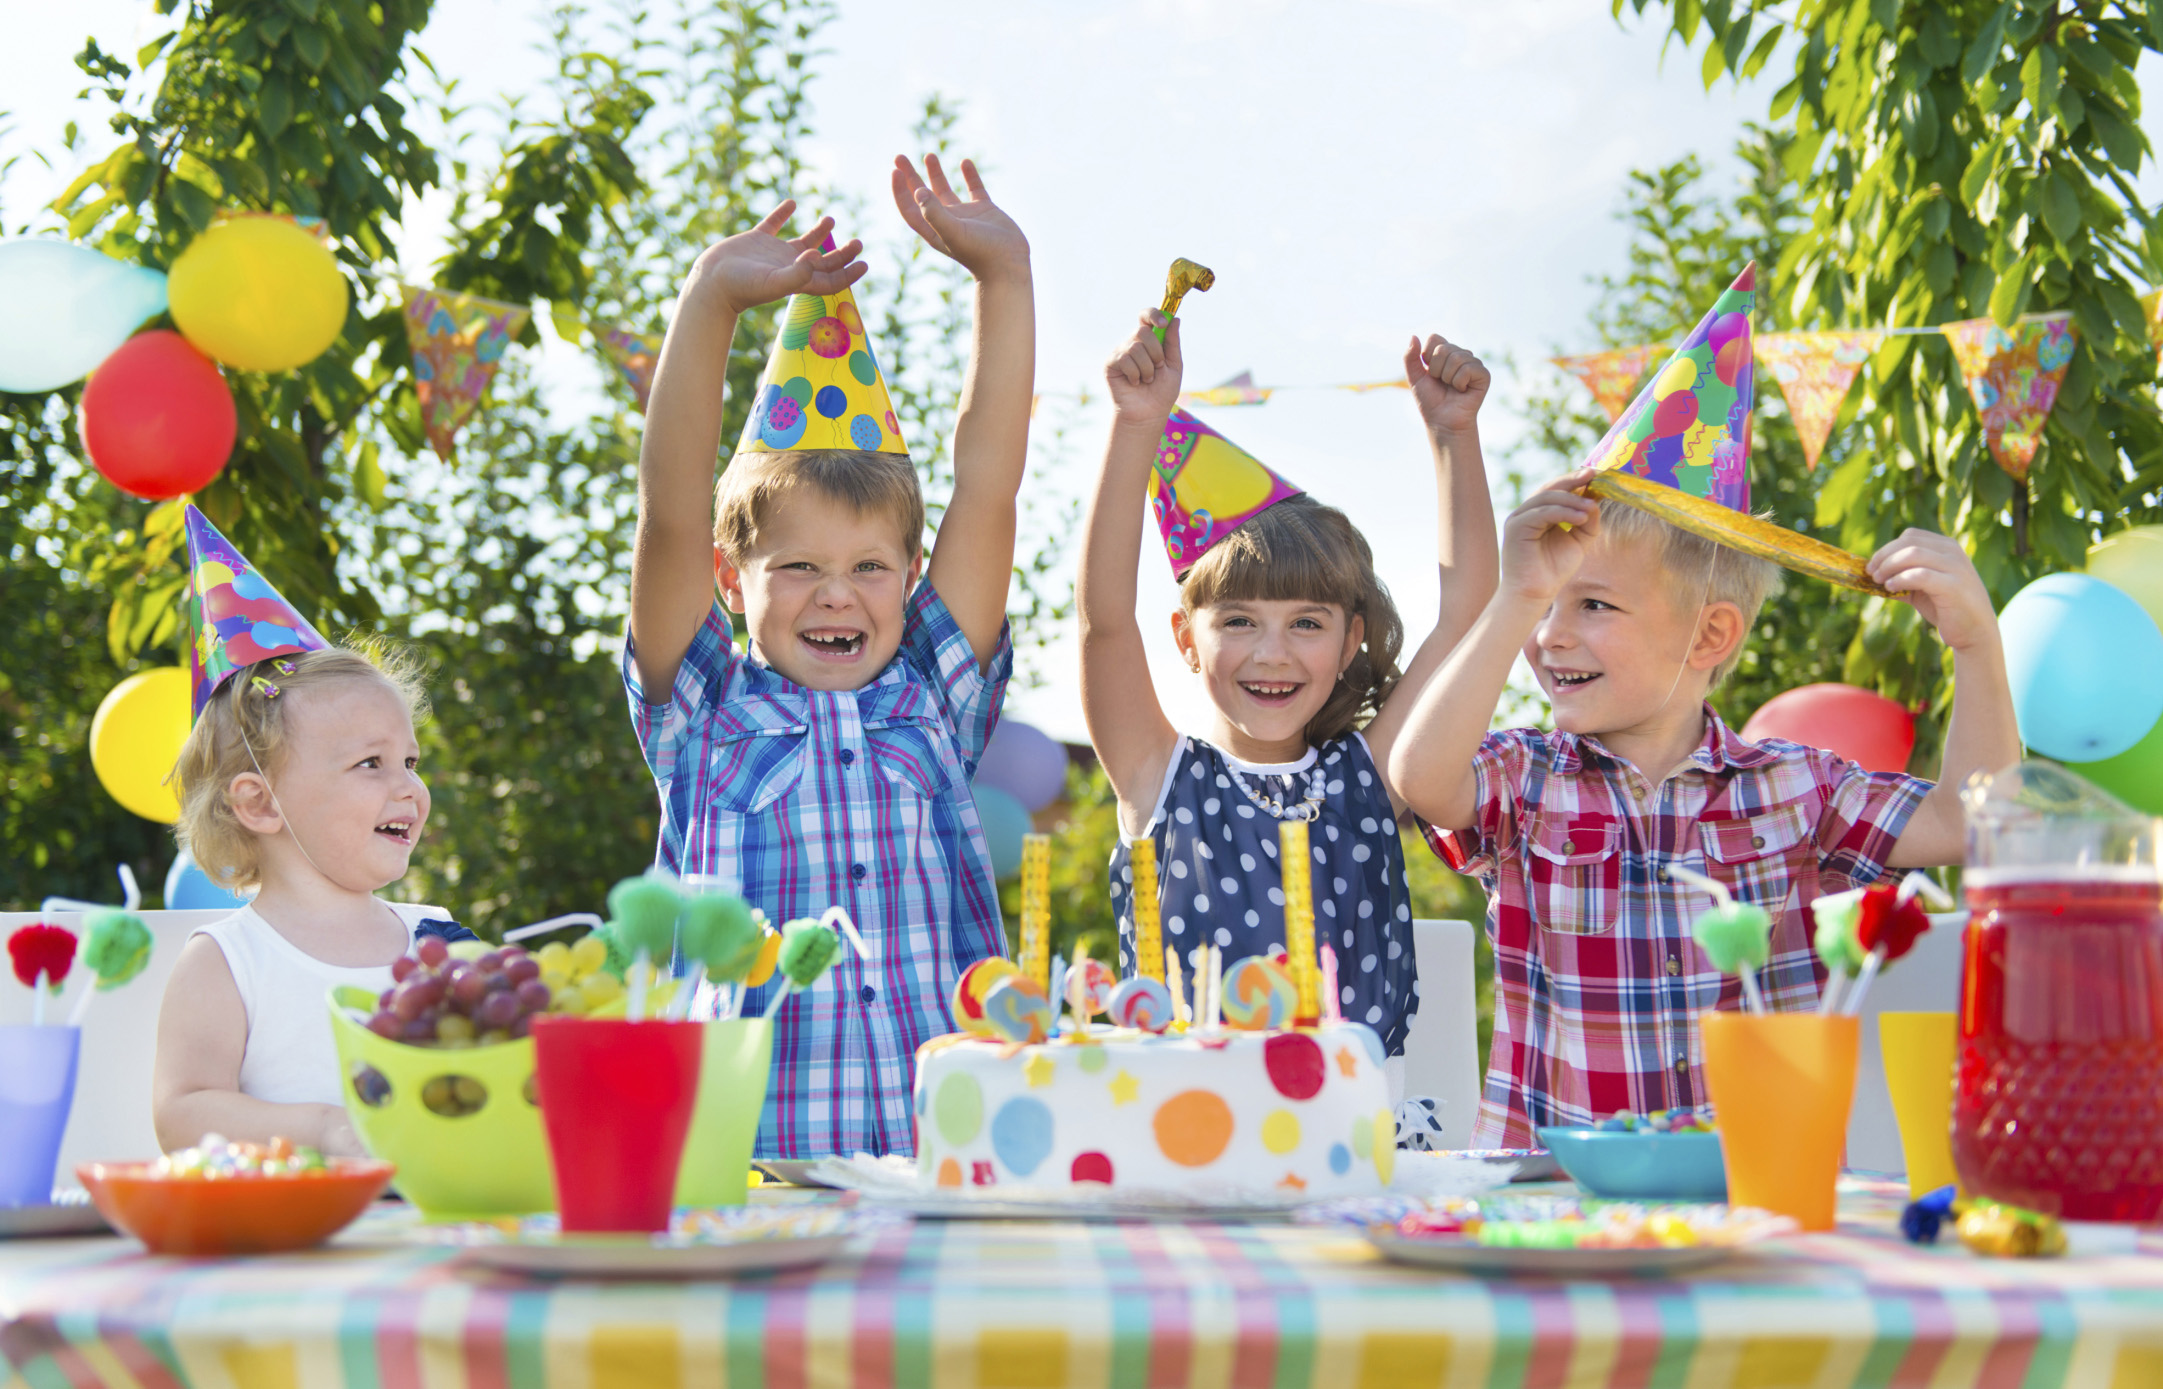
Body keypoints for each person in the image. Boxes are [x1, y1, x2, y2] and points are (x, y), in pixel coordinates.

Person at [1386, 470, 2020, 1146]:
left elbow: (1963, 821)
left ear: (1708, 635)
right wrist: (1515, 594)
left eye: (1591, 605)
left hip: (1755, 1188)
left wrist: (1976, 645)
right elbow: (1420, 778)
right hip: (1558, 1205)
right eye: (1543, 606)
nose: (1547, 636)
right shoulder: (1523, 775)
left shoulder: (1796, 787)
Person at [624, 154, 1034, 1159]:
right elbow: (671, 510)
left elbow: (987, 486)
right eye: (797, 565)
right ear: (733, 578)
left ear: (911, 575)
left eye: (869, 567)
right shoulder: (704, 710)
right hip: (746, 1164)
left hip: (950, 1161)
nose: (837, 592)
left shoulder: (935, 691)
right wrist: (711, 298)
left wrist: (1005, 279)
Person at [1077, 306, 1498, 1057]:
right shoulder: (1155, 774)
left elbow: (1468, 614)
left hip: (1355, 1141)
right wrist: (1135, 423)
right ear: (1186, 640)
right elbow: (1103, 619)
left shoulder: (1370, 777)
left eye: (1306, 623)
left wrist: (1454, 437)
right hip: (1183, 1141)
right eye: (1238, 621)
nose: (1272, 652)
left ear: (1349, 644)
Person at [154, 508, 470, 1157]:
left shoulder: (440, 939)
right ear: (261, 803)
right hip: (288, 1248)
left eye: (409, 761)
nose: (410, 786)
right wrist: (324, 1127)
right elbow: (180, 1112)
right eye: (370, 763)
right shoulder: (226, 959)